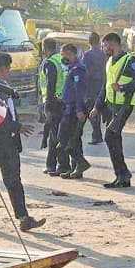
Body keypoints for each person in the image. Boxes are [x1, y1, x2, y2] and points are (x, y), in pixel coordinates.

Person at [0, 53, 47, 232]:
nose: (10, 72)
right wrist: (17, 126)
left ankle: (23, 218)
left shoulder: (2, 86)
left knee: (14, 180)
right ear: (2, 69)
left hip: (10, 143)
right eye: (8, 69)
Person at [90, 33, 135, 188]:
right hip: (112, 105)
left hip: (125, 104)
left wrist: (122, 87)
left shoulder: (130, 61)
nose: (103, 49)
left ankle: (122, 174)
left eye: (105, 46)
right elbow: (105, 86)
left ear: (112, 44)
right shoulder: (109, 62)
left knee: (110, 136)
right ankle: (122, 176)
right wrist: (97, 106)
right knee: (113, 138)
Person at [57, 44, 92, 180]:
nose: (62, 57)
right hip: (69, 107)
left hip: (73, 109)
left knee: (65, 138)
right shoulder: (72, 68)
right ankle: (76, 167)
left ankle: (80, 163)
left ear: (70, 53)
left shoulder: (78, 69)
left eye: (63, 54)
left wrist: (79, 109)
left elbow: (79, 91)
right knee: (72, 138)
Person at [38, 38, 67, 176]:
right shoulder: (61, 59)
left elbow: (50, 85)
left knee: (54, 135)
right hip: (64, 100)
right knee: (60, 134)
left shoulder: (50, 63)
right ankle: (61, 164)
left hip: (54, 102)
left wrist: (47, 107)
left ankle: (53, 165)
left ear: (44, 48)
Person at [82, 32, 107, 145]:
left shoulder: (87, 55)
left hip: (90, 86)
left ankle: (97, 134)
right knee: (98, 108)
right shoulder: (104, 54)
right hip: (103, 84)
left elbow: (84, 71)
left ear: (89, 42)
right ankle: (97, 134)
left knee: (90, 110)